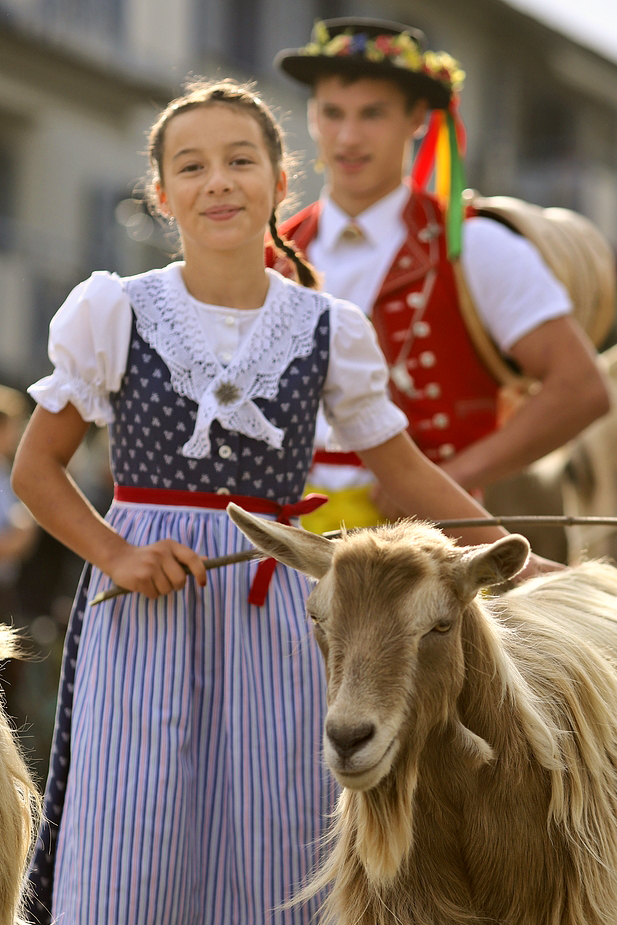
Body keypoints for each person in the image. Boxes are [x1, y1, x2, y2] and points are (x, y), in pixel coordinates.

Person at [12, 78, 555, 925]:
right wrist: (116, 552)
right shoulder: (116, 309)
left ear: (278, 182)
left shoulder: (325, 326)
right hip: (146, 602)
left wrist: (510, 557)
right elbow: (35, 469)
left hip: (278, 604)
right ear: (161, 193)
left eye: (240, 161)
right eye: (191, 166)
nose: (217, 181)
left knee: (278, 820)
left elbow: (401, 470)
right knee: (134, 815)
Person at [269, 17, 611, 532]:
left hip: (424, 557)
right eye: (332, 112)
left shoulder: (474, 247)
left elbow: (582, 389)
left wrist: (443, 480)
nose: (348, 136)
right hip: (279, 541)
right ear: (312, 116)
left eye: (372, 114)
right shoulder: (270, 253)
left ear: (417, 120)